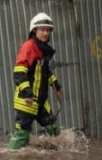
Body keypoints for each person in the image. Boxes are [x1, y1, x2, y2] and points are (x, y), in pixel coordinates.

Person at [8, 12, 64, 150]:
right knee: (21, 135)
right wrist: (27, 93)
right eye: (42, 30)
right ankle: (13, 159)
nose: (45, 33)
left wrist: (56, 85)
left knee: (54, 130)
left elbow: (45, 71)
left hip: (40, 101)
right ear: (34, 30)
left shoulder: (42, 49)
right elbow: (19, 72)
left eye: (48, 30)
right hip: (27, 101)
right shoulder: (29, 47)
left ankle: (59, 157)